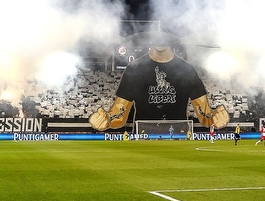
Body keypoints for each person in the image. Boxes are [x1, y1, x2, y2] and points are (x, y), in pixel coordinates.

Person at [89, 30, 229, 133]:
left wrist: (215, 118)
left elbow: (205, 115)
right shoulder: (135, 69)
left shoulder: (187, 70)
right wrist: (107, 119)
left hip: (178, 137)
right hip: (143, 137)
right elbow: (119, 114)